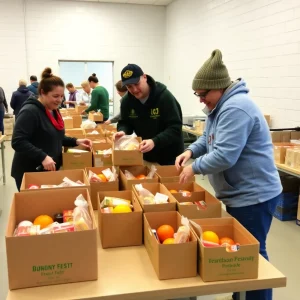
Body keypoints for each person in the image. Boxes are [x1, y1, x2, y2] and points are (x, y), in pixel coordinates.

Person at [175, 49, 282, 300]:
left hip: (254, 195)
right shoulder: (220, 106)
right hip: (238, 193)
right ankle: (240, 295)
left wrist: (194, 168)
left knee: (253, 253)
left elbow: (224, 155)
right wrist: (190, 151)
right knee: (241, 250)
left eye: (203, 94)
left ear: (219, 87)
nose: (201, 100)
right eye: (197, 95)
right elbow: (208, 138)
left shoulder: (236, 108)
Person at [11, 67, 92, 191]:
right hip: (30, 171)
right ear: (42, 93)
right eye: (55, 96)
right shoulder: (30, 111)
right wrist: (42, 156)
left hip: (46, 170)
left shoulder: (53, 110)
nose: (59, 100)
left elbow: (55, 136)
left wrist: (76, 141)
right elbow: (18, 141)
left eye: (61, 96)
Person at [114, 64, 184, 165]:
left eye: (137, 84)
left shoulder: (164, 97)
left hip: (170, 156)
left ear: (145, 77)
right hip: (146, 154)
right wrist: (123, 131)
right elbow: (125, 122)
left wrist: (155, 141)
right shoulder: (127, 101)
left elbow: (175, 128)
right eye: (129, 87)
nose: (134, 90)